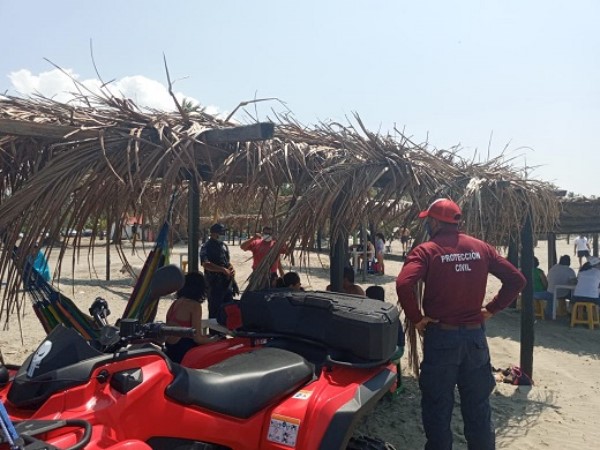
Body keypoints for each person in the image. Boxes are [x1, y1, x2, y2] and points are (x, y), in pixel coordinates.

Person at [396, 198, 526, 450]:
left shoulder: (426, 250)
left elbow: (403, 284)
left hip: (442, 339)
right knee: (478, 406)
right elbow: (517, 280)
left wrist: (417, 318)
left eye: (428, 221)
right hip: (475, 340)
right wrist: (491, 309)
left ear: (434, 222)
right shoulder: (481, 248)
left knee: (437, 406)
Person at [164, 272, 215, 363]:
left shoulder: (176, 303)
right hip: (183, 351)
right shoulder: (194, 306)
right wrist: (213, 340)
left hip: (170, 348)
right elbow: (197, 338)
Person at [200, 223, 237, 320]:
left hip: (227, 284)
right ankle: (215, 334)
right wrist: (222, 270)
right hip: (214, 285)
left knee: (229, 312)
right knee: (215, 313)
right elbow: (206, 264)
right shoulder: (206, 246)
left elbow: (226, 262)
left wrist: (231, 270)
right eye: (221, 233)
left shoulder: (223, 246)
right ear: (213, 233)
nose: (223, 235)